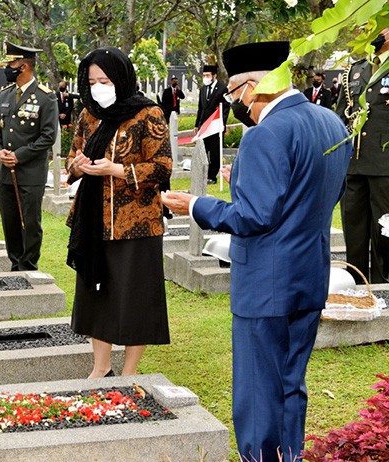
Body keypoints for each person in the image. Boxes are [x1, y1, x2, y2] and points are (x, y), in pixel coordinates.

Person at [162, 41, 351, 461]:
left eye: (233, 92)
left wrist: (195, 204)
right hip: (309, 274)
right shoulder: (331, 122)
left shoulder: (266, 133)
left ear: (252, 87)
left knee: (259, 388)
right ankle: (289, 455)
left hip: (267, 281)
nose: (234, 103)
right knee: (290, 382)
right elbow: (321, 194)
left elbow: (254, 216)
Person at [66, 47, 172, 378]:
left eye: (105, 80)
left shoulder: (148, 114)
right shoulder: (89, 114)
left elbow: (162, 166)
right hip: (94, 220)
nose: (98, 87)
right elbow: (71, 159)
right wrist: (79, 166)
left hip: (137, 223)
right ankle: (100, 368)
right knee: (98, 293)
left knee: (135, 296)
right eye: (92, 82)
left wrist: (116, 169)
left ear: (122, 78)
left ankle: (129, 371)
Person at [0, 41, 58, 271]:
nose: (7, 69)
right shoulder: (5, 95)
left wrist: (19, 156)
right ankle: (15, 263)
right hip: (6, 172)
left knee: (29, 222)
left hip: (30, 172)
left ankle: (28, 265)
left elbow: (48, 136)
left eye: (11, 64)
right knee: (9, 221)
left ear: (24, 67)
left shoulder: (45, 97)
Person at [335, 27, 389, 284]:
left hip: (385, 165)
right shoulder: (355, 71)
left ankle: (382, 286)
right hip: (353, 163)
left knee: (384, 232)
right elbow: (340, 118)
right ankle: (356, 285)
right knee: (354, 230)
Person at [194, 64, 230, 184]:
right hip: (204, 126)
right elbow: (201, 108)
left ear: (214, 76)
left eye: (207, 75)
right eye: (204, 75)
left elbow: (225, 108)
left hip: (216, 126)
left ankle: (212, 176)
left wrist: (221, 123)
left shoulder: (223, 88)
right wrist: (197, 124)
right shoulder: (203, 89)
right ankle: (203, 175)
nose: (205, 77)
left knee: (215, 153)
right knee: (203, 151)